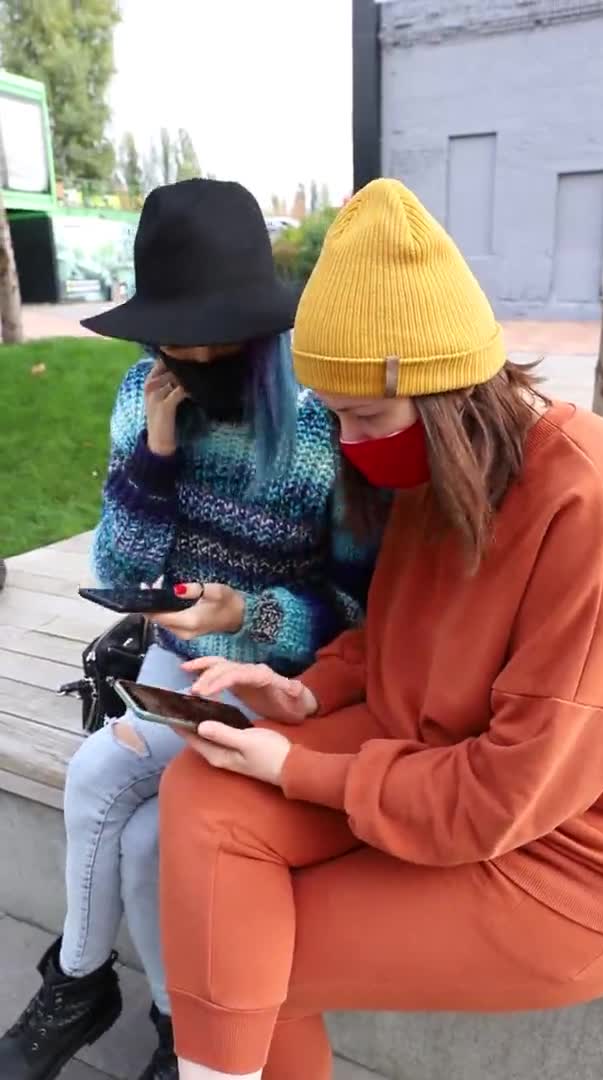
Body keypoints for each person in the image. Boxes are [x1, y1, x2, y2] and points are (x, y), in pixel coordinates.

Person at [157, 178, 603, 1080]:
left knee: (254, 956)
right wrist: (308, 689)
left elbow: (504, 795)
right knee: (199, 790)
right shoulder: (449, 466)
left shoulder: (585, 502)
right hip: (409, 752)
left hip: (549, 856)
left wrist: (303, 766)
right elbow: (390, 633)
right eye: (333, 414)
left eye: (367, 415)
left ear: (450, 395)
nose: (352, 442)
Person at [0, 180, 381, 1080]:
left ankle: (87, 991)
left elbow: (362, 616)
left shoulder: (322, 424)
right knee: (135, 838)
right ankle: (167, 1029)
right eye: (181, 338)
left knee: (104, 786)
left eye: (223, 340)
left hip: (278, 693)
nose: (200, 355)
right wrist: (156, 450)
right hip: (177, 674)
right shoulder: (146, 394)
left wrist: (249, 615)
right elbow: (121, 572)